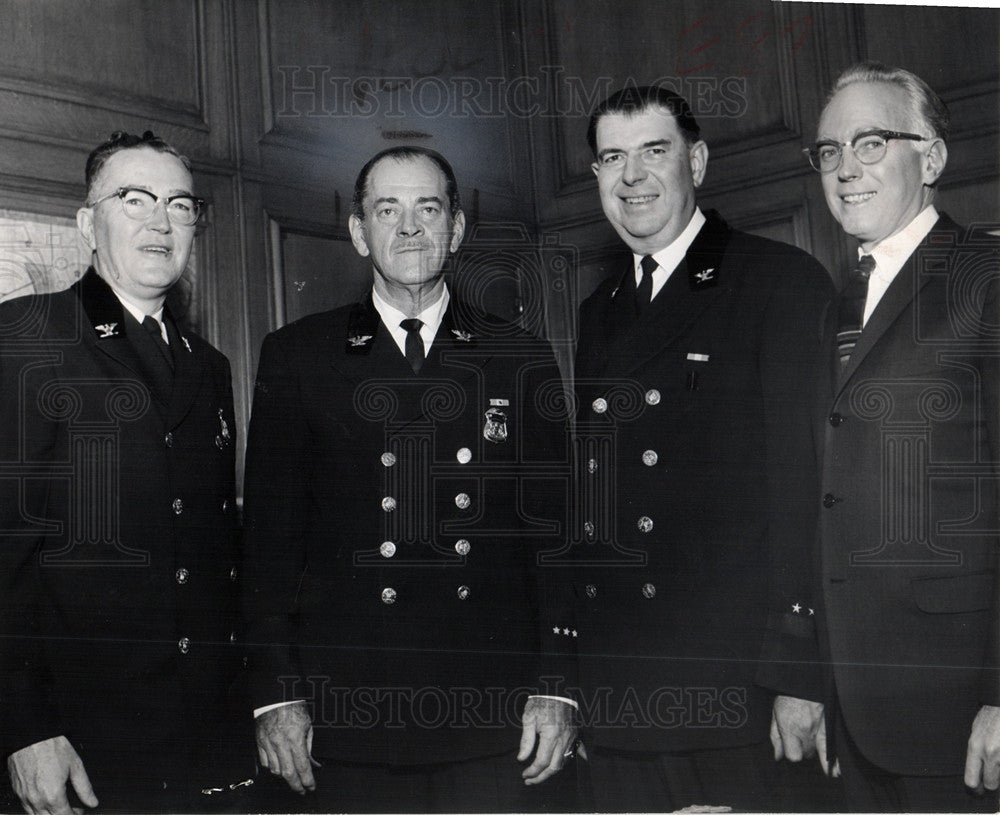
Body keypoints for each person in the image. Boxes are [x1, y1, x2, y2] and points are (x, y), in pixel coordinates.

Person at [525, 85, 835, 812]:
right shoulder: (598, 311)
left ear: (695, 161)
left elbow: (809, 491)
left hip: (737, 690)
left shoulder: (779, 282)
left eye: (653, 152)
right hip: (623, 686)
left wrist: (799, 674)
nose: (631, 176)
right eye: (611, 157)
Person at [242, 145, 570, 812]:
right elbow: (268, 546)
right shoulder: (300, 354)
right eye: (386, 209)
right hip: (352, 718)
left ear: (456, 229)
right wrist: (278, 693)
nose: (409, 227)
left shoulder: (519, 356)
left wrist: (558, 685)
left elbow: (557, 538)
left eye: (428, 207)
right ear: (360, 232)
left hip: (493, 716)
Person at [771, 62, 1000, 813]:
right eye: (829, 151)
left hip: (965, 712)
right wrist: (814, 681)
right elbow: (821, 502)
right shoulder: (832, 307)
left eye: (870, 142)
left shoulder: (986, 279)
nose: (844, 169)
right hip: (857, 714)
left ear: (930, 158)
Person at [0, 131, 250, 813]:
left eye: (178, 204)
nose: (159, 221)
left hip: (201, 742)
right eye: (133, 199)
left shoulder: (210, 366)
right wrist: (24, 728)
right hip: (79, 745)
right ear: (88, 222)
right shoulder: (28, 338)